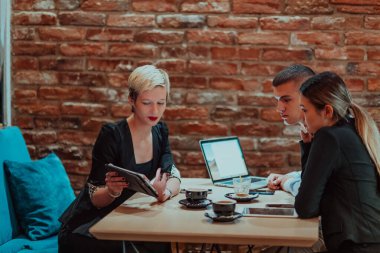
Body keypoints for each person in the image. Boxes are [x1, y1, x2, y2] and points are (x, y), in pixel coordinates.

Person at [58, 65, 181, 253]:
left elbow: (172, 174)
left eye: (161, 103)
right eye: (147, 102)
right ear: (131, 99)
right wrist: (112, 191)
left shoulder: (160, 131)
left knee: (163, 240)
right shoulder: (112, 135)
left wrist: (165, 193)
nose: (155, 110)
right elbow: (94, 195)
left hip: (130, 219)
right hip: (92, 225)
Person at [295, 72, 380, 253]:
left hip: (356, 247)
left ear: (327, 111)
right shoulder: (353, 128)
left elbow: (305, 207)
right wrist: (308, 146)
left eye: (305, 110)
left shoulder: (329, 137)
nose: (302, 118)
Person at [266, 64, 315, 197]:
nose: (279, 108)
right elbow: (315, 175)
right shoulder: (308, 133)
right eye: (278, 100)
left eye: (286, 100)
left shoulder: (328, 134)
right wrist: (288, 176)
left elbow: (312, 192)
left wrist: (287, 182)